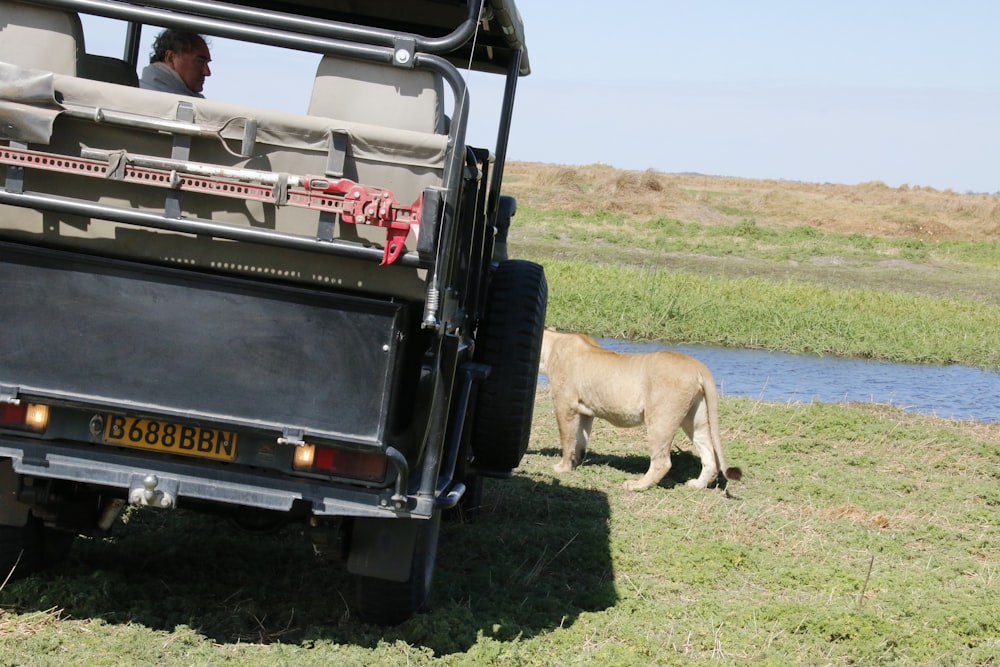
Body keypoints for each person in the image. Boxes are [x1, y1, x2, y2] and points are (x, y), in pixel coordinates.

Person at [139, 29, 211, 97]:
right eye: (199, 61)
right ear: (170, 58)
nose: (207, 72)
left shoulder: (138, 92)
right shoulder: (173, 104)